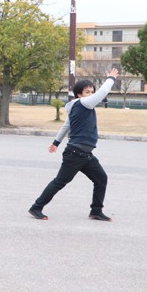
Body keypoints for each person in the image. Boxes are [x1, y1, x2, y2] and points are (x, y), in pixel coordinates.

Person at [28, 68, 119, 221]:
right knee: (60, 182)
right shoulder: (84, 103)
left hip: (85, 155)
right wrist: (111, 78)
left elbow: (66, 125)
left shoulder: (78, 108)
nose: (90, 95)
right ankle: (36, 207)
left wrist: (56, 142)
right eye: (87, 92)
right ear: (79, 95)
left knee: (101, 178)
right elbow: (102, 93)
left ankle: (96, 211)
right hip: (76, 154)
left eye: (91, 92)